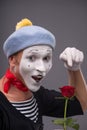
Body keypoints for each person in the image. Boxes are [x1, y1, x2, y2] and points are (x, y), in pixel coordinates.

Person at [0, 18, 87, 130]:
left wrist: (74, 68)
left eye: (46, 58)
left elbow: (81, 103)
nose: (42, 68)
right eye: (31, 57)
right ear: (12, 60)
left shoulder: (37, 95)